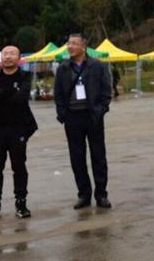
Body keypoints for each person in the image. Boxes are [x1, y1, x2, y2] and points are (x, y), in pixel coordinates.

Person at [54, 34, 113, 209]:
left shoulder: (97, 66)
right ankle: (84, 194)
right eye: (68, 43)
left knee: (99, 156)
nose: (70, 47)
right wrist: (62, 113)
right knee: (77, 157)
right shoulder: (63, 68)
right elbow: (58, 94)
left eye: (74, 44)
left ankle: (101, 194)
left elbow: (106, 90)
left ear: (83, 47)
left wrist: (102, 109)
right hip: (72, 117)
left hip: (93, 115)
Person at [0, 45, 37, 222]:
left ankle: (21, 203)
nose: (8, 57)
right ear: (1, 58)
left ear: (19, 58)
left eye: (12, 54)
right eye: (5, 54)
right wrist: (9, 91)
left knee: (19, 166)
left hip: (18, 127)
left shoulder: (25, 76)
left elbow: (21, 99)